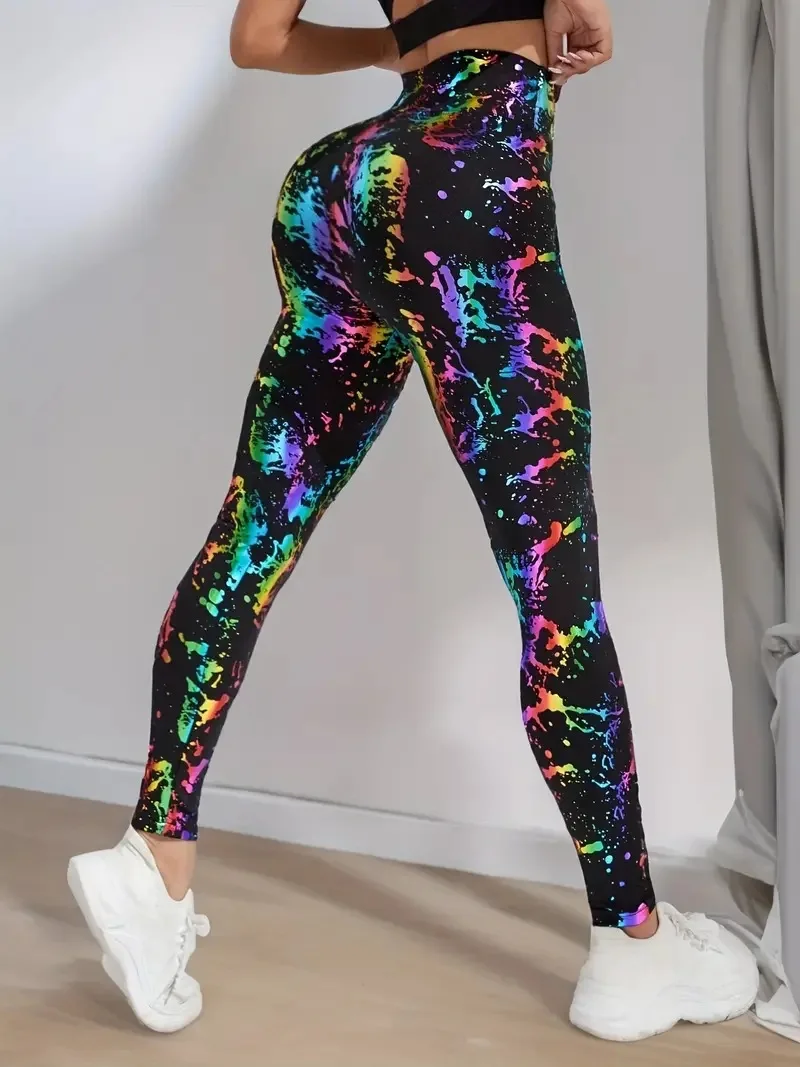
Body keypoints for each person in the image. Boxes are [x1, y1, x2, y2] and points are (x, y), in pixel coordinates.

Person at [66, 0, 758, 1043]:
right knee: (555, 593)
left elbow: (258, 39)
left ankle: (154, 859)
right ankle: (632, 943)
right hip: (468, 173)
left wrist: (397, 44)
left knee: (251, 536)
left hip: (341, 185)